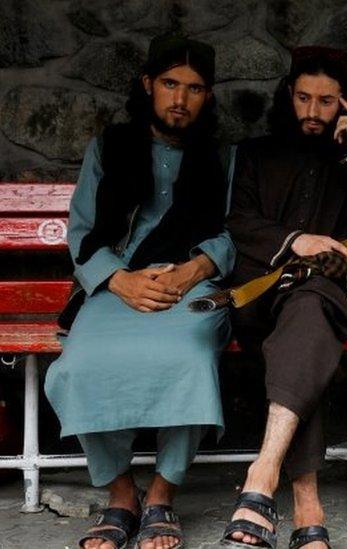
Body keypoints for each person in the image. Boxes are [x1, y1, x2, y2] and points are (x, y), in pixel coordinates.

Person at [44, 34, 235, 549]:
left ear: (208, 96)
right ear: (148, 84)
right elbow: (82, 232)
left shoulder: (222, 158)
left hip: (190, 287)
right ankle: (122, 494)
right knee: (80, 365)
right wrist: (119, 279)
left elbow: (233, 232)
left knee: (190, 359)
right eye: (170, 84)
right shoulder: (109, 147)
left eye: (195, 88)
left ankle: (162, 495)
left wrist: (195, 269)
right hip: (115, 286)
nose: (180, 99)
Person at [220, 46, 347, 549]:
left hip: (331, 296)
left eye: (326, 101)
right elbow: (238, 224)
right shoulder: (254, 155)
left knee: (311, 309)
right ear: (287, 95)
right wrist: (299, 241)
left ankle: (262, 478)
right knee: (303, 333)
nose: (313, 112)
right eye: (303, 98)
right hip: (260, 297)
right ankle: (304, 500)